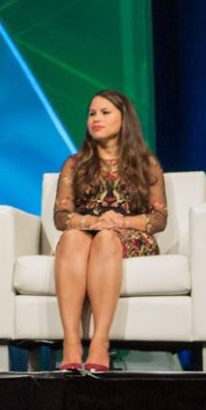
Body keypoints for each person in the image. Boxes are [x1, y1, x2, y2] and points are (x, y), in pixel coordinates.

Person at [51, 89, 167, 372]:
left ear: (124, 120)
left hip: (131, 237)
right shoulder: (74, 164)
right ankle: (71, 343)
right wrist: (91, 221)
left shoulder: (146, 164)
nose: (96, 119)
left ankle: (100, 342)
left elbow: (159, 218)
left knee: (105, 240)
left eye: (105, 113)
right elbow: (61, 216)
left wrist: (120, 223)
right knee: (71, 238)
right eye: (92, 114)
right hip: (90, 231)